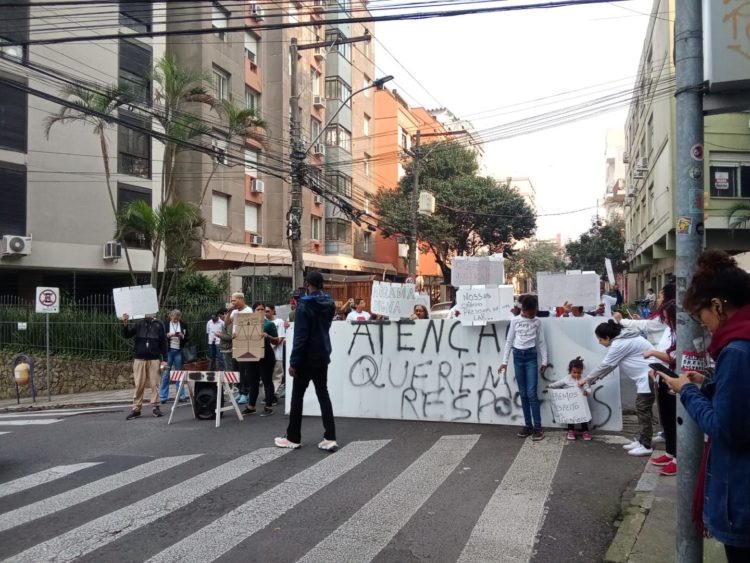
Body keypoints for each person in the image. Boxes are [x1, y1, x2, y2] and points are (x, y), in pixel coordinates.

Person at [662, 250, 750, 562]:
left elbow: (724, 428)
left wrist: (686, 390)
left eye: (703, 318)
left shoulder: (737, 351)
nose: (705, 326)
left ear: (717, 305)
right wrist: (706, 384)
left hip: (741, 496)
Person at [275, 271, 338, 451]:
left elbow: (301, 336)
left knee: (297, 397)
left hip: (305, 358)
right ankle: (330, 436)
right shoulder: (329, 303)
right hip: (322, 355)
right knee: (323, 395)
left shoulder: (304, 305)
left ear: (308, 283)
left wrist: (294, 362)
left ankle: (293, 437)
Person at [583, 320, 655, 456]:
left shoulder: (619, 343)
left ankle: (646, 445)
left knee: (643, 409)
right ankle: (642, 441)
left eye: (600, 339)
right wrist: (594, 379)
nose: (599, 342)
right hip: (646, 377)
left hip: (649, 377)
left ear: (608, 338)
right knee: (643, 409)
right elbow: (611, 365)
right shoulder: (624, 338)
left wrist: (587, 379)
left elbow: (606, 365)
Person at [498, 294, 548, 441]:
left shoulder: (538, 322)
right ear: (524, 309)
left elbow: (541, 341)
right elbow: (509, 341)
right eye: (530, 311)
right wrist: (504, 362)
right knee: (523, 393)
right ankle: (528, 425)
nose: (533, 314)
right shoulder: (514, 321)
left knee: (532, 393)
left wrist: (544, 361)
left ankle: (538, 427)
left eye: (535, 311)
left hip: (531, 356)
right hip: (518, 356)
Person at [642, 299, 678, 476]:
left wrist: (652, 354)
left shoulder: (682, 332)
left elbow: (673, 358)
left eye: (667, 318)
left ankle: (679, 458)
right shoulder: (669, 330)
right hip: (662, 377)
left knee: (674, 419)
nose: (665, 321)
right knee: (666, 419)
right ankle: (670, 452)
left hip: (674, 380)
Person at [121, 312, 168, 420]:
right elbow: (127, 335)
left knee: (155, 384)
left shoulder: (159, 325)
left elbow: (163, 342)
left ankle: (156, 407)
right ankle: (136, 409)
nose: (147, 315)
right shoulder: (139, 324)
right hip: (140, 359)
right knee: (139, 384)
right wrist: (125, 323)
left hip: (154, 359)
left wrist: (165, 360)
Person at [242, 301, 279, 416]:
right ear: (253, 311)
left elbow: (277, 340)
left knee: (267, 381)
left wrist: (268, 336)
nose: (260, 311)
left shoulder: (269, 324)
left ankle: (268, 406)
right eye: (258, 309)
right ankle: (251, 406)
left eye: (262, 309)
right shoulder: (246, 323)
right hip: (251, 355)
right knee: (253, 382)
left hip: (266, 356)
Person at [547, 356, 593, 441]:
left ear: (581, 371)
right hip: (570, 404)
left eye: (579, 373)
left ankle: (585, 431)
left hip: (581, 403)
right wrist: (550, 386)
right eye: (574, 372)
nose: (576, 374)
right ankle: (571, 431)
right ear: (570, 370)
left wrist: (587, 392)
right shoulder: (567, 379)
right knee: (570, 417)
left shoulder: (583, 379)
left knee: (583, 417)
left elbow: (588, 388)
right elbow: (559, 383)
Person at [160, 309, 187, 403]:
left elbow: (187, 337)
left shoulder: (183, 324)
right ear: (170, 316)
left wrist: (182, 336)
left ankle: (181, 396)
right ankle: (163, 397)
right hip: (168, 351)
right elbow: (161, 336)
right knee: (166, 373)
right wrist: (168, 335)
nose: (176, 319)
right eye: (174, 317)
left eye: (177, 318)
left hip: (179, 350)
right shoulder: (165, 324)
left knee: (179, 373)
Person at [230, 292, 253, 404]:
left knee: (244, 369)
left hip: (245, 343)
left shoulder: (248, 311)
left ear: (240, 299)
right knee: (236, 369)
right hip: (235, 343)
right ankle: (240, 391)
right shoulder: (234, 311)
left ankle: (246, 393)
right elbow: (226, 323)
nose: (232, 303)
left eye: (233, 300)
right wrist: (230, 310)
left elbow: (250, 327)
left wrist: (239, 334)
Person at [266, 305, 287, 399]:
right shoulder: (263, 322)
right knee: (267, 377)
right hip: (265, 355)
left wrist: (271, 344)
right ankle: (269, 395)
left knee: (276, 376)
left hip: (277, 354)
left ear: (273, 310)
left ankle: (273, 396)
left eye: (267, 311)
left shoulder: (279, 322)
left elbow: (280, 338)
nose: (265, 313)